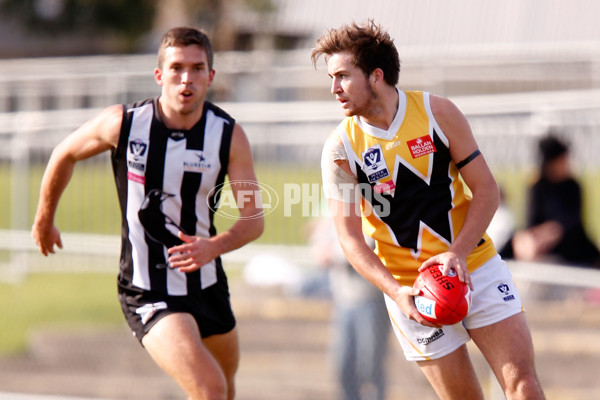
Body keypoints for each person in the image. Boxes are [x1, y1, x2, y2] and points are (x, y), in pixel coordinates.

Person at [312, 20, 545, 399]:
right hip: (411, 291)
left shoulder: (437, 112)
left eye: (341, 76)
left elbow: (486, 191)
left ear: (376, 75)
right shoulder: (340, 149)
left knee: (524, 387)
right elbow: (350, 241)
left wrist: (457, 254)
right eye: (331, 78)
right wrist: (396, 292)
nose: (333, 88)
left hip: (476, 266)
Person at [31, 26, 264, 400]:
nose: (186, 78)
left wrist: (214, 247)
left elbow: (253, 220)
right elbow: (65, 153)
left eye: (197, 68)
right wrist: (44, 219)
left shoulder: (229, 136)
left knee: (224, 388)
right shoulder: (124, 124)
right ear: (159, 75)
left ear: (211, 76)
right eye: (176, 68)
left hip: (207, 284)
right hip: (148, 289)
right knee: (210, 387)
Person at [308, 215, 390, 400]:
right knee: (344, 363)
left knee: (370, 363)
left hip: (372, 300)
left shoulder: (372, 212)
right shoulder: (337, 211)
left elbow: (362, 248)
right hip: (344, 300)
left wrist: (335, 253)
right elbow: (320, 243)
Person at [511, 133, 600, 267]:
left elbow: (574, 221)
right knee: (517, 242)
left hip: (570, 242)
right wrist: (544, 233)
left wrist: (555, 230)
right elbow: (531, 221)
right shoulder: (538, 187)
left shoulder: (573, 185)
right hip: (541, 240)